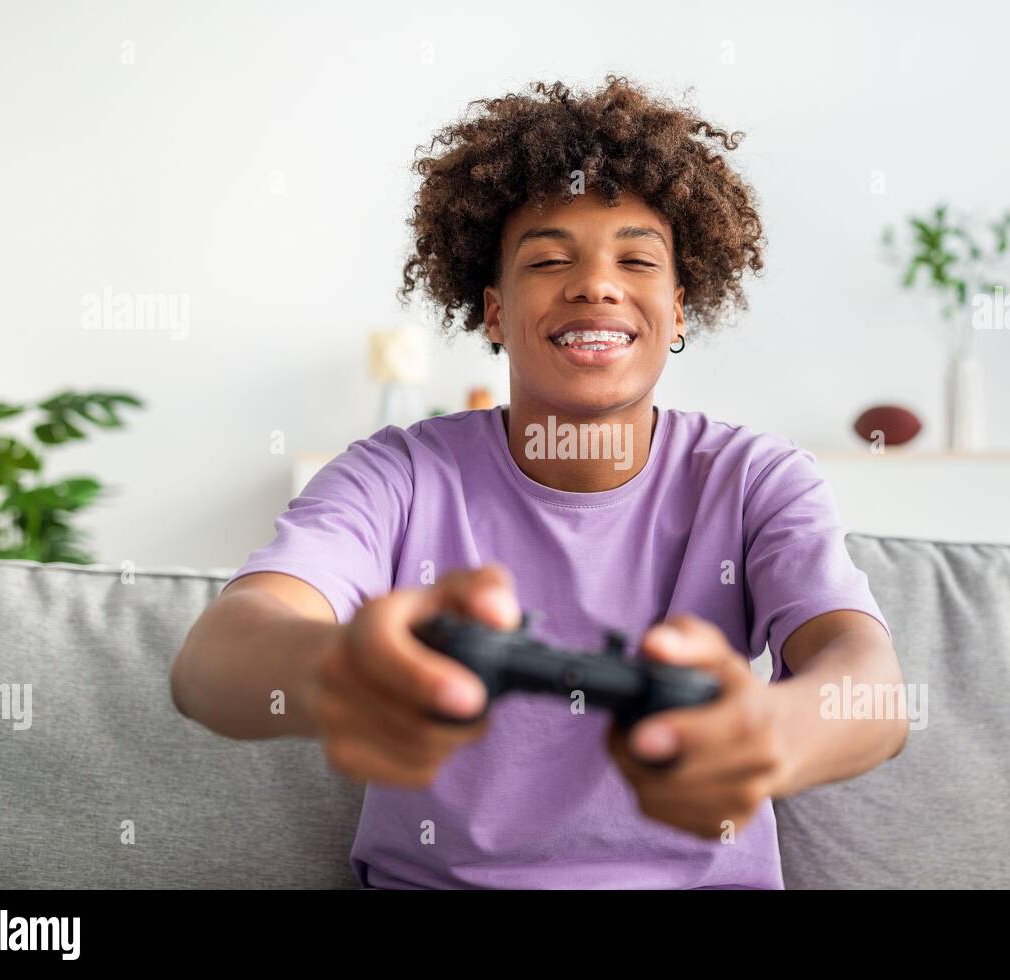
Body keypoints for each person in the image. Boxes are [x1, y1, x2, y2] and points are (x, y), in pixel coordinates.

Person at [170, 75, 907, 889]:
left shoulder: (754, 479)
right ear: (492, 311)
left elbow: (868, 683)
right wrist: (333, 672)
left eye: (636, 259)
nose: (596, 284)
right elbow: (216, 660)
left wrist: (776, 728)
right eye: (551, 259)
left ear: (681, 308)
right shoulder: (399, 476)